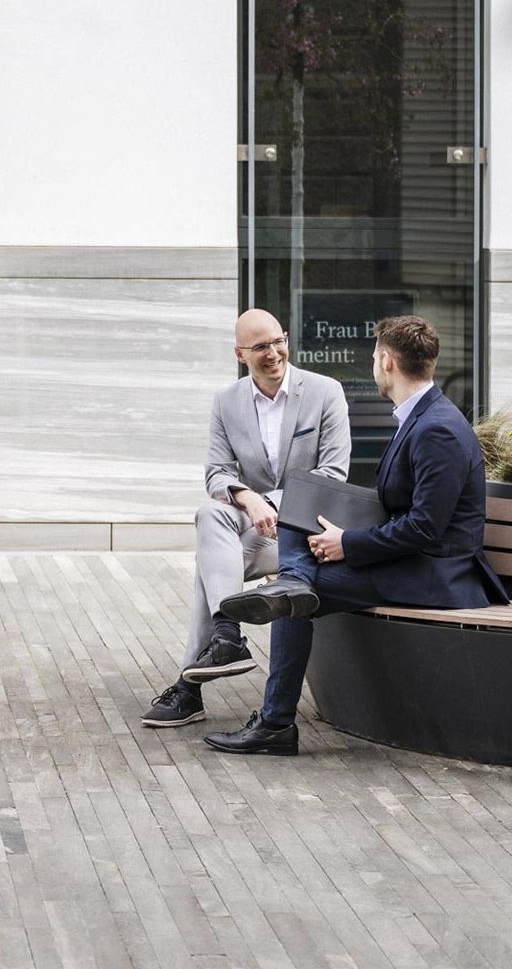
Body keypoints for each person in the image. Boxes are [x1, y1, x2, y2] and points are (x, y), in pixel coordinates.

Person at [206, 314, 507, 756]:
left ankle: (275, 724)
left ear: (386, 361)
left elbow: (426, 526)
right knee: (305, 504)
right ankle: (293, 582)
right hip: (413, 562)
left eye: (372, 358)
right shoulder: (421, 416)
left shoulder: (437, 428)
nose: (371, 365)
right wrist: (341, 530)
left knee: (294, 598)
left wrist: (348, 544)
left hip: (436, 576)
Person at [141, 308, 350, 728]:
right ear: (240, 354)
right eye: (260, 347)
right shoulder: (227, 401)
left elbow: (332, 475)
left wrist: (266, 502)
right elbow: (216, 472)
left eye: (278, 341)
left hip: (304, 533)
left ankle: (194, 682)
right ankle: (227, 636)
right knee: (209, 515)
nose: (273, 353)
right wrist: (244, 496)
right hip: (256, 528)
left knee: (210, 567)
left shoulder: (326, 392)